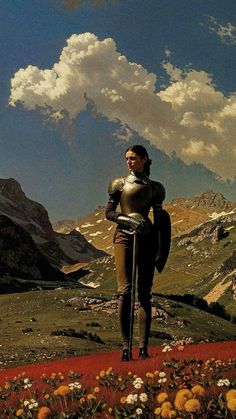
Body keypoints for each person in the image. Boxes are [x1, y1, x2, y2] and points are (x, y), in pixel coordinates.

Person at [105, 144, 170, 361]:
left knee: (144, 293)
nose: (129, 162)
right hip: (124, 235)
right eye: (127, 159)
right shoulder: (119, 184)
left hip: (147, 237)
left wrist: (160, 246)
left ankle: (143, 347)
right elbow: (109, 212)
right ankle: (125, 347)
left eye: (133, 158)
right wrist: (126, 219)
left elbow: (160, 219)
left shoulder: (155, 188)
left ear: (144, 159)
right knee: (125, 290)